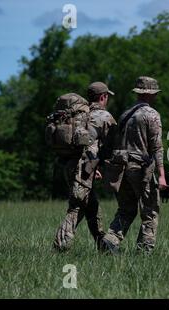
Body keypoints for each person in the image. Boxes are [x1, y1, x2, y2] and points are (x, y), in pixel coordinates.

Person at [101, 76, 167, 254]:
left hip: (121, 167)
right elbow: (156, 147)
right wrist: (161, 174)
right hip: (140, 168)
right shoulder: (151, 115)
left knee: (126, 209)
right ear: (151, 94)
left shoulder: (125, 114)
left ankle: (110, 239)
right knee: (150, 211)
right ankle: (144, 251)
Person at [53, 82, 117, 251]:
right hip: (84, 168)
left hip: (71, 165)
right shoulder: (104, 116)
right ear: (103, 97)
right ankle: (59, 247)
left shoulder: (80, 114)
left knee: (92, 206)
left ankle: (104, 247)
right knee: (76, 207)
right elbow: (112, 147)